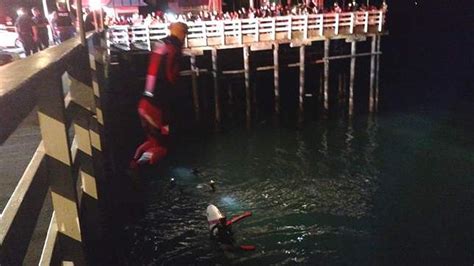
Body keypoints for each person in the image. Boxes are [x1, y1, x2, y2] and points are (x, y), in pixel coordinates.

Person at [130, 22, 188, 167]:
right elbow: (170, 76)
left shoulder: (160, 44)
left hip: (144, 102)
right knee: (163, 144)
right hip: (158, 106)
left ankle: (134, 161)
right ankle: (141, 166)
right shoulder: (174, 49)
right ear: (182, 34)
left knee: (153, 140)